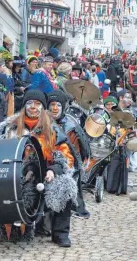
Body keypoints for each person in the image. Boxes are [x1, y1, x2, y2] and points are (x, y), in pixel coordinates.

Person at [0, 90, 77, 247]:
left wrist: (53, 170)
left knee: (66, 185)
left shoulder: (52, 129)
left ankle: (60, 234)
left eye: (38, 104)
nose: (33, 107)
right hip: (15, 174)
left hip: (44, 174)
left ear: (43, 108)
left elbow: (65, 156)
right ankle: (8, 226)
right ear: (24, 106)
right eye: (30, 103)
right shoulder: (9, 127)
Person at [47, 89, 90, 219]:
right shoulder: (43, 122)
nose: (55, 108)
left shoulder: (70, 125)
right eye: (52, 105)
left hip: (67, 163)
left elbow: (77, 150)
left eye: (58, 105)